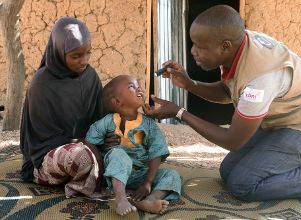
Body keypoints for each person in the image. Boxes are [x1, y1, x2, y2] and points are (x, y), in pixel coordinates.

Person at [143, 5, 301, 201]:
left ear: (225, 46)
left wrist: (179, 113)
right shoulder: (239, 44)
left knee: (243, 184)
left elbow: (232, 140)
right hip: (285, 119)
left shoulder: (259, 80)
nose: (193, 51)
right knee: (228, 170)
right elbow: (227, 91)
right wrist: (189, 84)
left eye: (200, 46)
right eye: (193, 44)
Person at [20, 16, 109, 199]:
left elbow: (99, 120)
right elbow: (43, 139)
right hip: (50, 157)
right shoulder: (41, 83)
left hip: (90, 145)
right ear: (59, 52)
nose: (83, 61)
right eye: (75, 56)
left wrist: (106, 138)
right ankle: (83, 183)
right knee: (80, 158)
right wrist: (84, 143)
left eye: (88, 53)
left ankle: (92, 173)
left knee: (134, 145)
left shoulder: (90, 76)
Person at [85, 75, 181, 215]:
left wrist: (148, 182)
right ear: (117, 101)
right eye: (132, 87)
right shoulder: (107, 122)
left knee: (172, 175)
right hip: (112, 175)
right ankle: (121, 199)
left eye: (138, 86)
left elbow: (157, 151)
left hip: (140, 174)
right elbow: (90, 142)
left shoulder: (148, 124)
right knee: (118, 154)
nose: (139, 89)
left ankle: (150, 200)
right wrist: (103, 147)